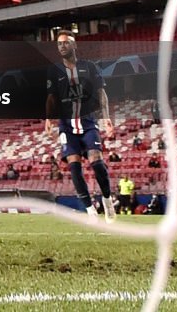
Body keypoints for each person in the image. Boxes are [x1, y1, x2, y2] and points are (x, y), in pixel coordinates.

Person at [44, 29, 117, 222]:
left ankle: (108, 201)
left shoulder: (90, 67)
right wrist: (48, 119)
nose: (62, 46)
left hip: (88, 122)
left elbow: (101, 93)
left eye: (66, 42)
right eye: (59, 44)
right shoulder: (54, 71)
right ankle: (90, 210)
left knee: (96, 162)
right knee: (74, 165)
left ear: (74, 45)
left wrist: (106, 117)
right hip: (66, 126)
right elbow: (51, 98)